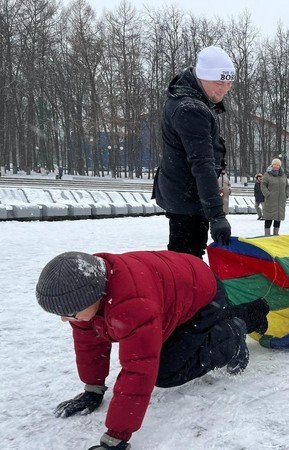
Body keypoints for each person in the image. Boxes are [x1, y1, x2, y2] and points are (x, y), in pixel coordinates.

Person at [36, 251, 269, 450]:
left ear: (94, 296)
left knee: (166, 370)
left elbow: (139, 368)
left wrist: (115, 437)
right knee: (176, 345)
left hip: (201, 295)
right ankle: (248, 314)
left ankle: (234, 334)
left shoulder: (132, 305)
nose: (65, 320)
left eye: (70, 314)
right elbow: (90, 342)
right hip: (171, 293)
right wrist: (93, 389)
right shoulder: (88, 286)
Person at [152, 46, 235, 259]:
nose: (225, 89)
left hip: (184, 194)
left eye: (229, 82)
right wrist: (216, 216)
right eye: (219, 82)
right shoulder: (191, 109)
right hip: (187, 197)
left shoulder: (187, 98)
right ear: (203, 77)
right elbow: (203, 164)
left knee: (186, 260)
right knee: (186, 262)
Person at [261, 158, 289, 236]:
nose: (276, 166)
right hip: (270, 200)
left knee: (278, 218)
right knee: (268, 218)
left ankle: (276, 234)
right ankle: (267, 235)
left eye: (278, 165)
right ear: (272, 165)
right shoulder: (267, 174)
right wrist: (268, 194)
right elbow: (263, 185)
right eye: (274, 165)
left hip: (280, 200)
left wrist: (286, 194)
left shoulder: (283, 175)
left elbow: (287, 186)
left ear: (280, 166)